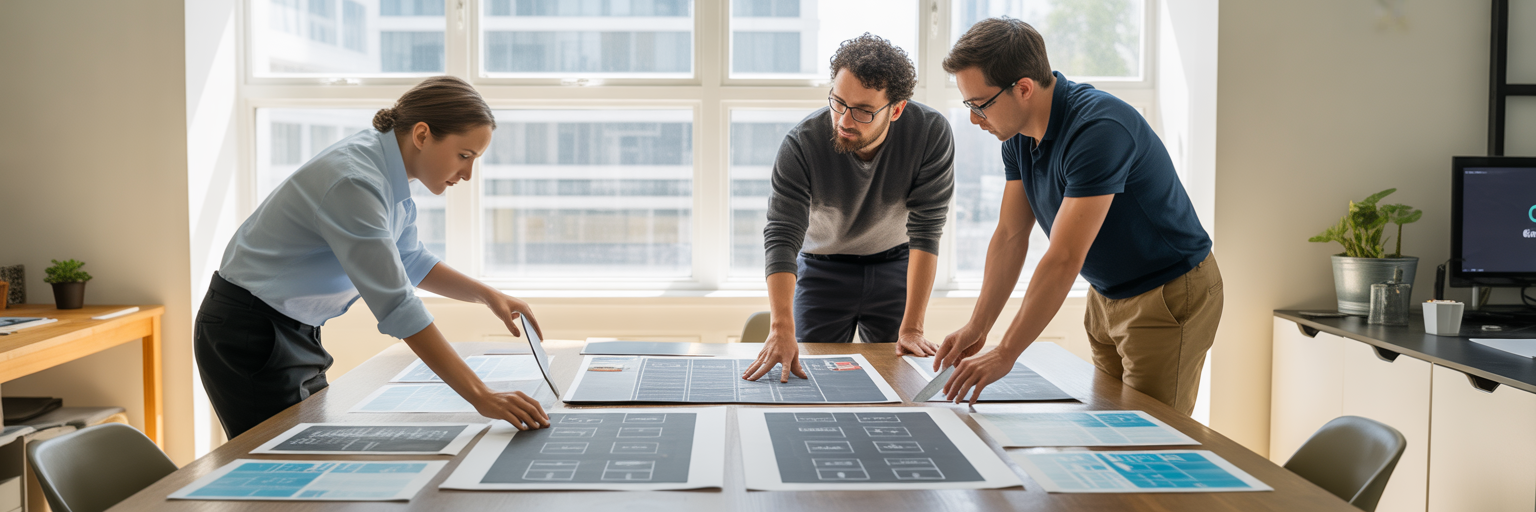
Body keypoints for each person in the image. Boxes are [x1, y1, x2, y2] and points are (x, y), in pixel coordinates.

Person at [195, 76, 550, 438]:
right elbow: (397, 304)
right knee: (278, 466)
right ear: (422, 135)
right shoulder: (355, 181)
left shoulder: (386, 172)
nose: (469, 174)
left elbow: (410, 259)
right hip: (250, 331)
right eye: (464, 156)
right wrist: (481, 395)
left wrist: (488, 295)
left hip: (290, 328)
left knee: (306, 453)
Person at [934, 18, 1223, 415]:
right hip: (1105, 294)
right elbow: (1010, 235)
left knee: (1149, 441)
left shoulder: (1098, 128)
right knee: (1108, 423)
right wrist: (978, 326)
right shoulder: (1016, 137)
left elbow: (1065, 256)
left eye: (978, 104)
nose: (973, 118)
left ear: (1023, 88)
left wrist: (1006, 351)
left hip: (1167, 293)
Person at [743, 34, 955, 383]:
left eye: (863, 111)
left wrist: (913, 327)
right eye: (838, 102)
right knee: (805, 376)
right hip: (821, 270)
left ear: (897, 109)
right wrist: (780, 326)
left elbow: (926, 231)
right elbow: (782, 234)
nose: (844, 120)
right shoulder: (802, 143)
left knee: (898, 377)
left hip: (895, 265)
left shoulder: (930, 134)